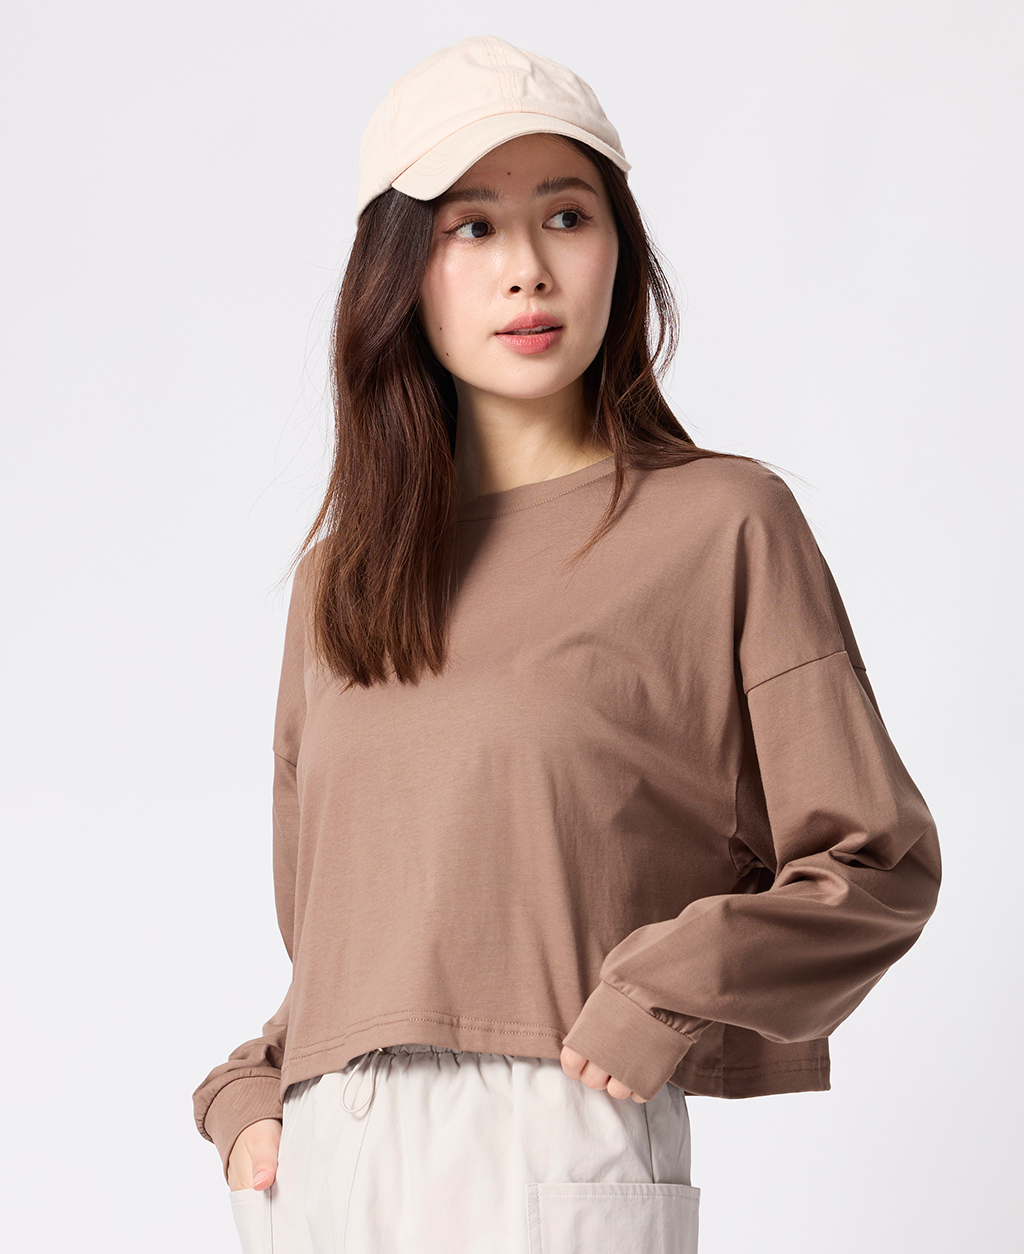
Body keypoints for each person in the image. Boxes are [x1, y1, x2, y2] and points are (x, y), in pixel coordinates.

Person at [191, 34, 941, 1254]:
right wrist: (251, 1088)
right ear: (399, 271)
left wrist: (660, 994)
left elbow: (875, 862)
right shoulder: (342, 580)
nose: (526, 271)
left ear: (617, 250)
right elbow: (361, 935)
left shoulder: (720, 524)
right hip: (327, 1163)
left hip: (554, 1130)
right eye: (471, 227)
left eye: (566, 215)